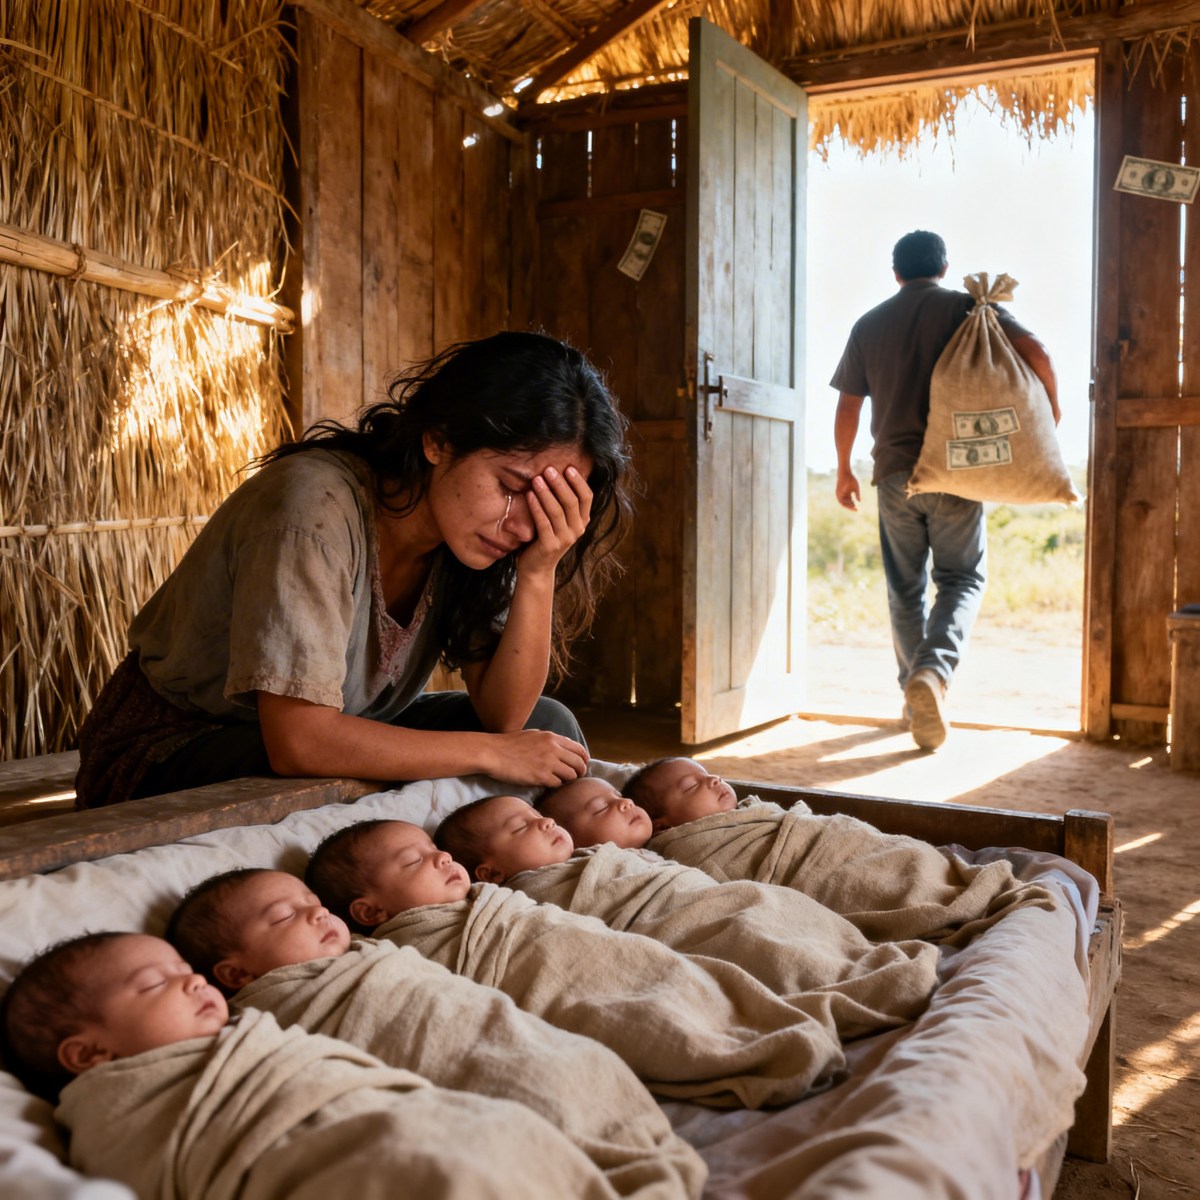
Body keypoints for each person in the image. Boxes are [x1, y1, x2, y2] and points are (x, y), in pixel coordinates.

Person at [74, 331, 632, 807]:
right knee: (355, 787)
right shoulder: (311, 509)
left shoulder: (484, 536)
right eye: (511, 487)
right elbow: (300, 742)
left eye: (547, 505)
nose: (523, 524)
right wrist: (489, 754)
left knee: (548, 729)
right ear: (438, 441)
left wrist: (538, 570)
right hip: (174, 749)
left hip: (326, 733)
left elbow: (505, 718)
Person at [165, 868, 708, 1198]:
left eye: (315, 905)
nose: (317, 916)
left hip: (522, 1040)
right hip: (470, 1075)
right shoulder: (273, 1013)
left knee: (572, 1061)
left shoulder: (380, 952)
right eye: (286, 917)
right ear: (237, 975)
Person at [0, 932, 625, 1200]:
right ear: (91, 1055)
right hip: (372, 1162)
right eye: (153, 983)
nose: (192, 982)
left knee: (496, 1135)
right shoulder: (119, 1113)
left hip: (434, 1123)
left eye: (185, 970)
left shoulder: (253, 1036)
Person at [305, 818, 851, 1109]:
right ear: (370, 912)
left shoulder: (498, 901)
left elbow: (588, 936)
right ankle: (737, 1047)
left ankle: (752, 1016)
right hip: (566, 981)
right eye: (415, 861)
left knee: (675, 965)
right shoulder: (408, 950)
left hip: (611, 954)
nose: (442, 857)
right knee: (636, 1010)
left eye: (434, 847)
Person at [433, 794, 940, 1040]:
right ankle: (839, 978)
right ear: (490, 873)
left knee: (765, 905)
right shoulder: (526, 900)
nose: (544, 821)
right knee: (744, 932)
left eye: (536, 813)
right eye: (520, 826)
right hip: (680, 921)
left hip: (707, 896)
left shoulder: (600, 855)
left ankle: (852, 960)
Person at [830, 231, 1059, 750]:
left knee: (904, 589)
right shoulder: (968, 308)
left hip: (893, 473)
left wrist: (844, 469)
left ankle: (914, 700)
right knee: (961, 579)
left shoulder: (868, 324)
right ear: (944, 267)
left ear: (895, 272)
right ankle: (933, 673)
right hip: (955, 468)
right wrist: (1051, 411)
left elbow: (848, 406)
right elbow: (1038, 352)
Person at [548, 760, 1057, 946]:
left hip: (830, 847)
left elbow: (818, 839)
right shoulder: (683, 853)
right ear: (666, 824)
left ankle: (941, 882)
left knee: (890, 857)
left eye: (707, 772)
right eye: (691, 784)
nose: (713, 779)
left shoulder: (746, 818)